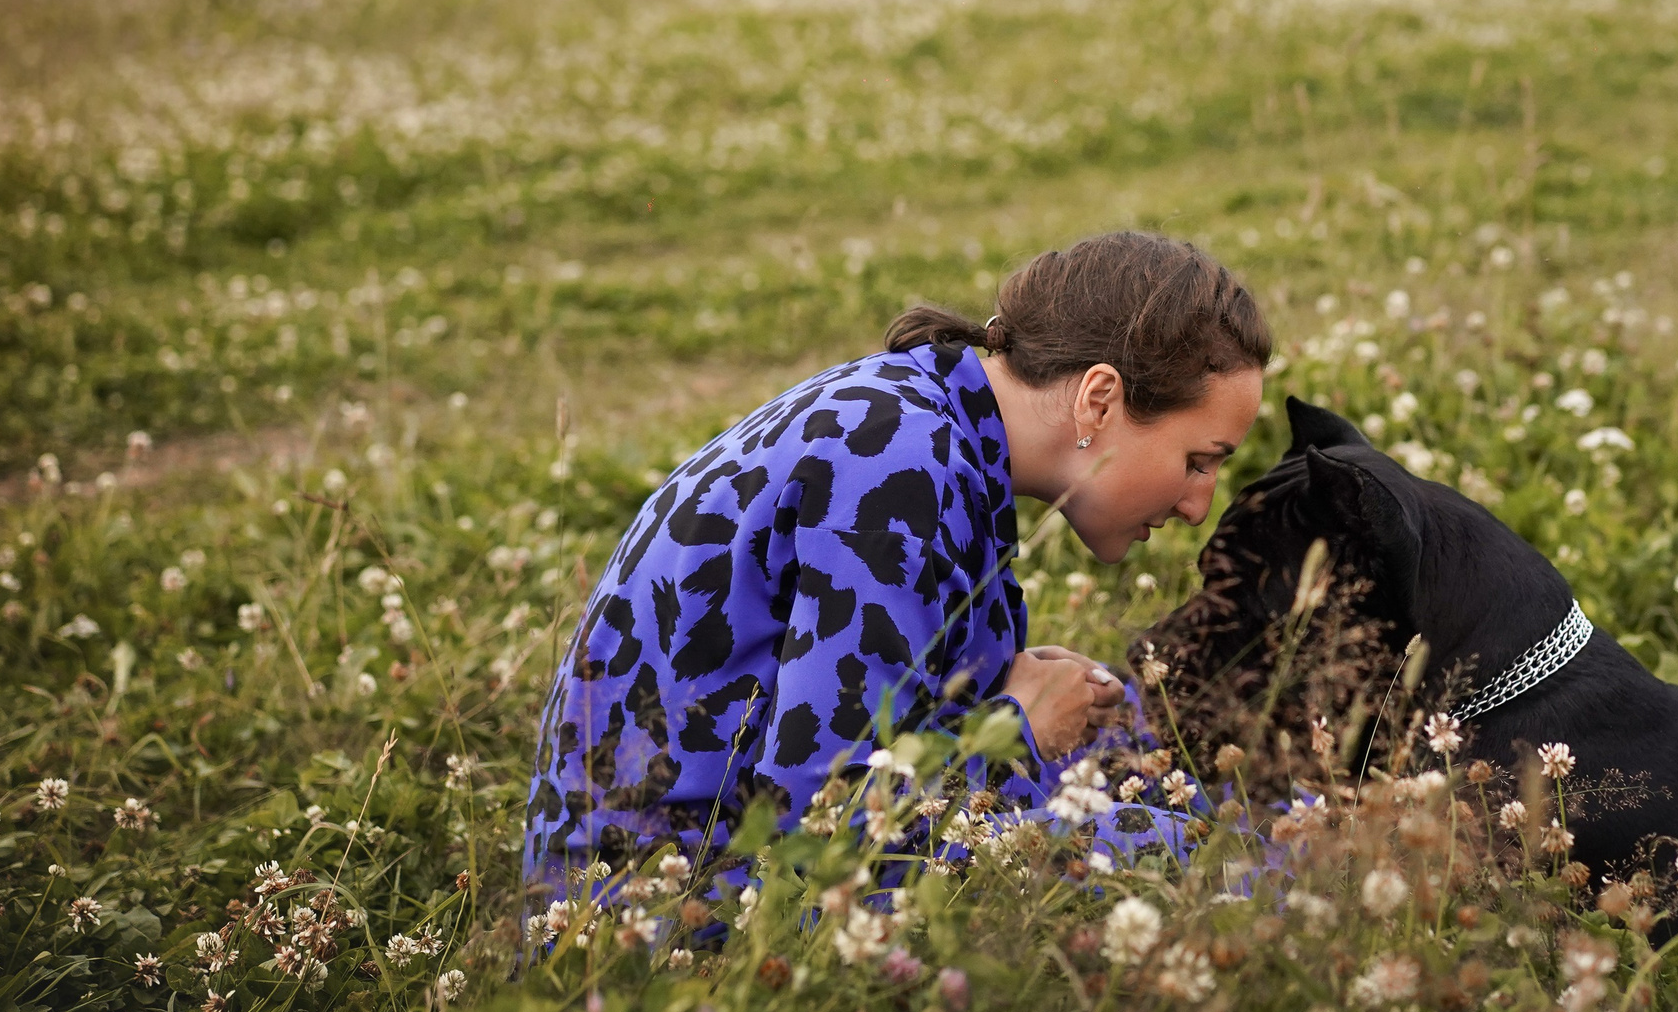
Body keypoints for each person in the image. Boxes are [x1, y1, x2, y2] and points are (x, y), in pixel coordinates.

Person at [520, 230, 1269, 906]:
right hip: (668, 914)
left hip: (725, 864)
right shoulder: (897, 466)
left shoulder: (927, 420)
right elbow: (824, 822)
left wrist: (1004, 699)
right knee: (1195, 866)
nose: (1198, 505)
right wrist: (1013, 732)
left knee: (1121, 743)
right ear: (1099, 400)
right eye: (1198, 461)